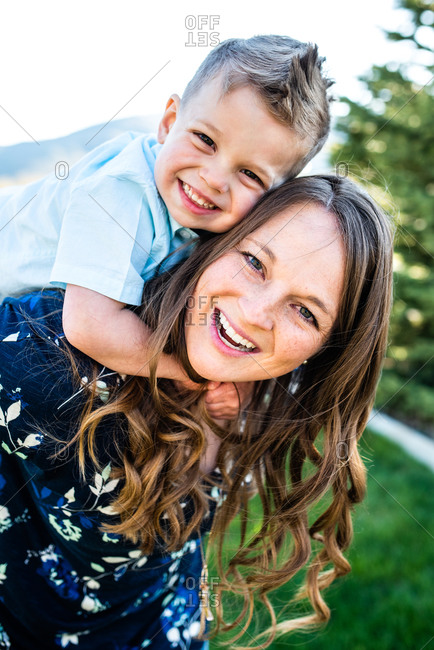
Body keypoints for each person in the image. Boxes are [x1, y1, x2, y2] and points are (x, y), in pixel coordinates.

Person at [0, 175, 393, 649]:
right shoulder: (53, 365)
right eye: (253, 262)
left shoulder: (260, 399)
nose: (254, 313)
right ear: (214, 245)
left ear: (327, 350)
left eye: (305, 312)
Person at [0, 35, 333, 423]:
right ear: (169, 122)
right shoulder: (120, 191)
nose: (213, 178)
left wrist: (233, 383)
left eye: (249, 174)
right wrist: (191, 371)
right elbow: (91, 327)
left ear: (274, 197)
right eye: (205, 140)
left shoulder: (216, 223)